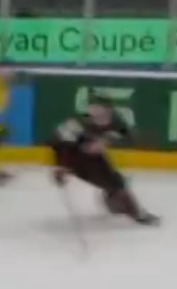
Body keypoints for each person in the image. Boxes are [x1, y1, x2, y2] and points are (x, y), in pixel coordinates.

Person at [51, 93, 158, 226]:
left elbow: (130, 137)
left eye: (98, 106)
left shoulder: (116, 122)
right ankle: (134, 212)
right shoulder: (76, 123)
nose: (93, 109)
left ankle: (128, 208)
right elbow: (60, 144)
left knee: (117, 182)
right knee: (114, 183)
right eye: (91, 106)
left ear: (108, 109)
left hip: (94, 159)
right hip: (75, 159)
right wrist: (61, 167)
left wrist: (107, 140)